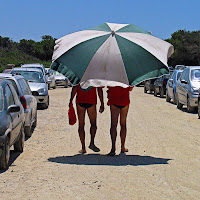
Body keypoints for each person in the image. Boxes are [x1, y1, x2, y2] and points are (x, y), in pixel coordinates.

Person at [69, 85, 104, 154]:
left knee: (81, 124)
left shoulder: (79, 75)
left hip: (80, 100)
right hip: (91, 100)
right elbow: (99, 89)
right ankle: (92, 143)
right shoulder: (94, 75)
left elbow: (75, 87)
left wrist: (71, 100)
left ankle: (83, 147)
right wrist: (102, 103)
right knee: (93, 124)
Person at [107, 86, 133, 156]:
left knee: (113, 124)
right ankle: (122, 147)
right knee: (123, 124)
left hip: (114, 99)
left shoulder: (112, 76)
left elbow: (108, 86)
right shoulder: (126, 77)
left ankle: (113, 148)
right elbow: (130, 88)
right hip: (124, 100)